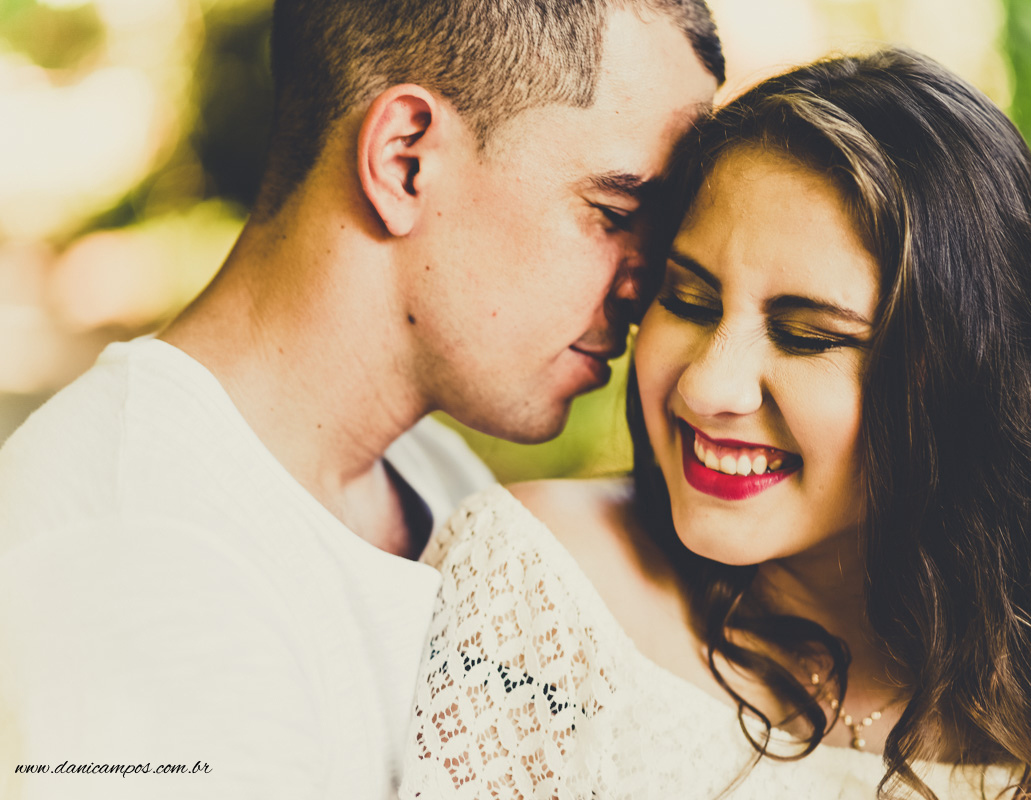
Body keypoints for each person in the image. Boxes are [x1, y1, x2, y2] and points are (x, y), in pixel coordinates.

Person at [397, 47, 1031, 799]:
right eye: (689, 300)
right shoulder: (540, 583)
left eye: (810, 335)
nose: (710, 385)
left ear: (968, 383)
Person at [0, 1, 722, 797]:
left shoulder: (440, 480)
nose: (649, 282)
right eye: (615, 214)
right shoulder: (131, 567)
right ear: (405, 159)